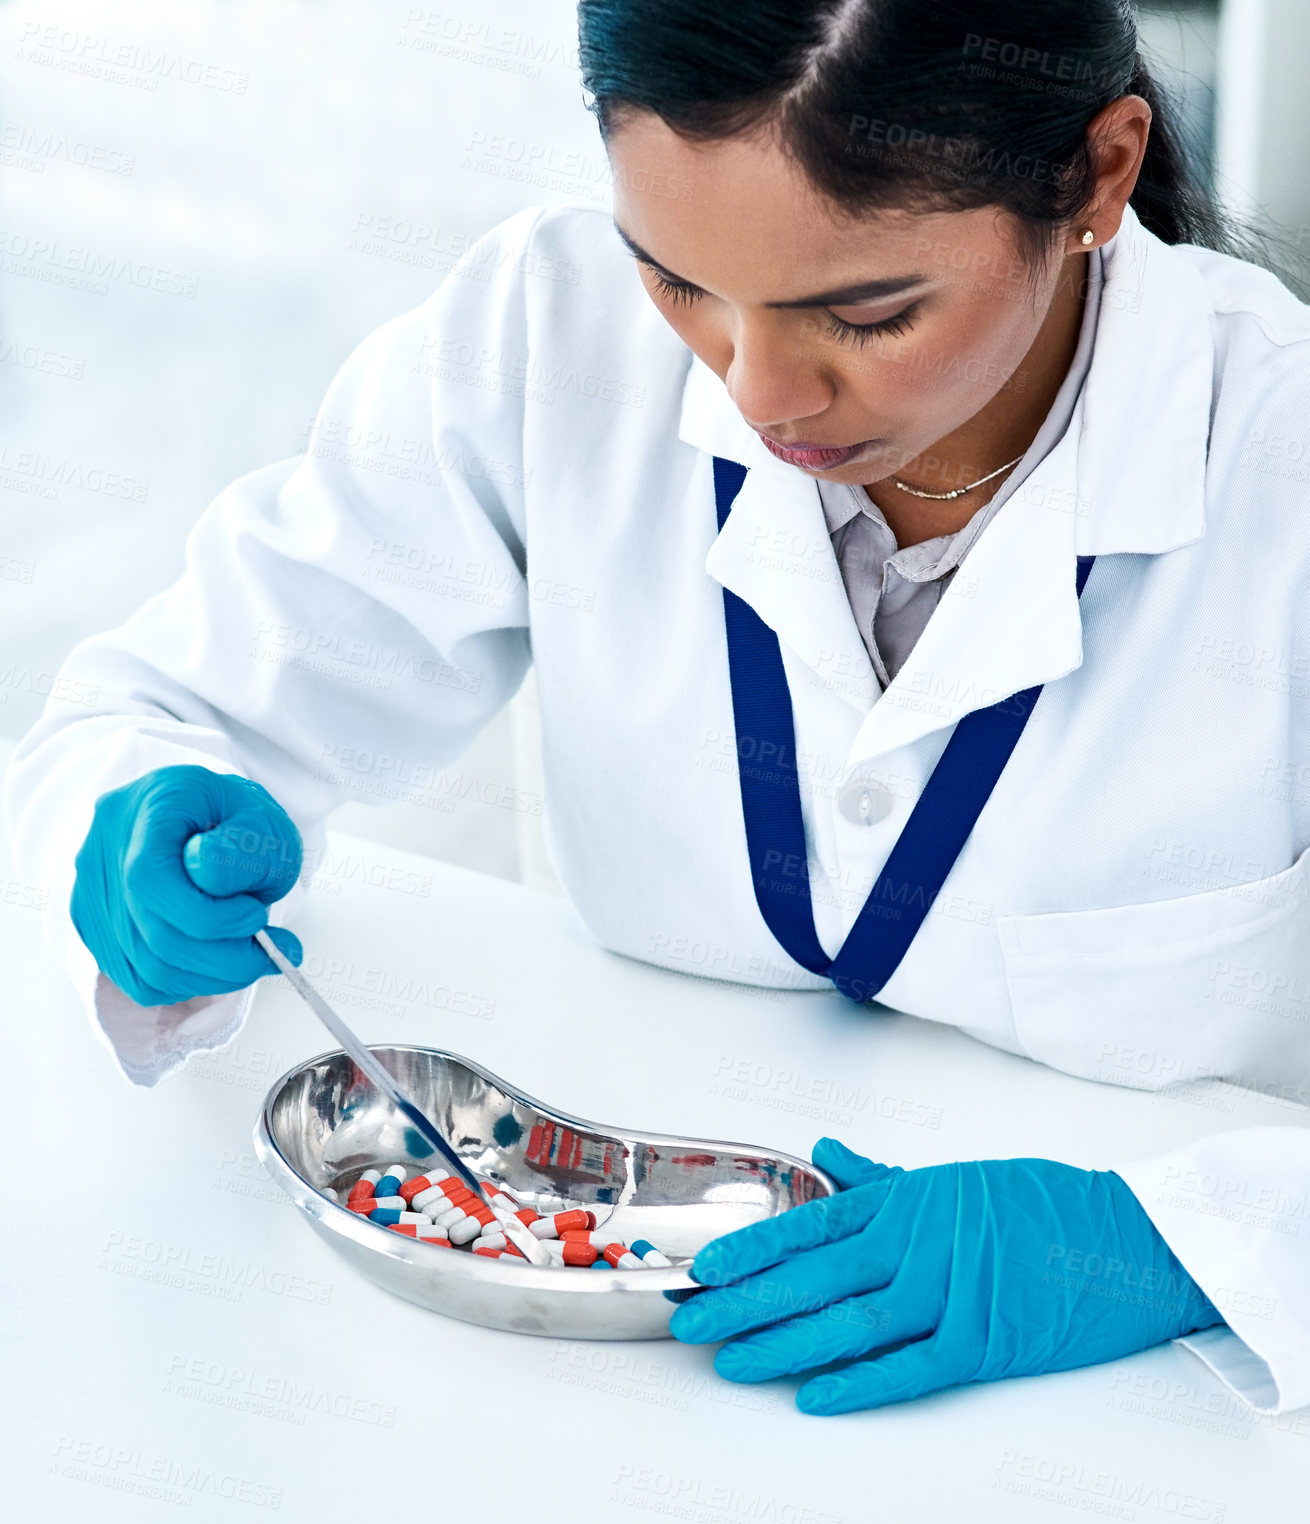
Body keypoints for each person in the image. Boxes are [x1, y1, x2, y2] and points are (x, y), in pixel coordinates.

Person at [6, 0, 1310, 1416]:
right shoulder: (541, 333)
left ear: (1098, 171)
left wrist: (1195, 1241)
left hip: (1153, 1411)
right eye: (675, 280)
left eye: (865, 314)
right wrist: (151, 828)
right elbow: (162, 709)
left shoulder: (1276, 460)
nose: (759, 395)